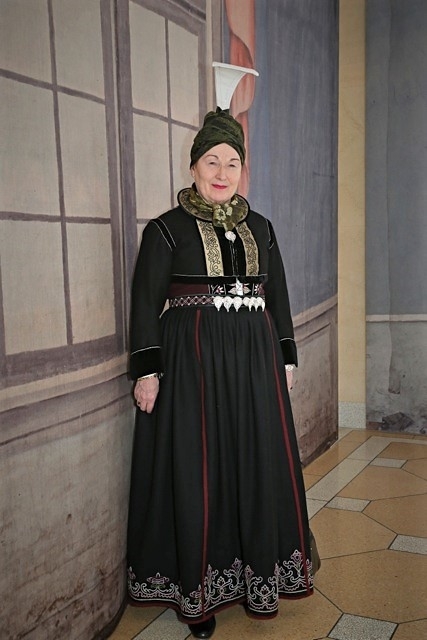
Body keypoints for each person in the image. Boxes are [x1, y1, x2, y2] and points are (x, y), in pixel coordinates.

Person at [127, 107, 314, 639]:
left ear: (242, 170)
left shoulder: (263, 228)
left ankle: (258, 577)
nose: (222, 172)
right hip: (194, 367)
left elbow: (277, 297)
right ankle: (200, 594)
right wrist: (147, 371)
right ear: (193, 166)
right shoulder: (165, 230)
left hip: (255, 365)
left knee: (256, 459)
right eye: (212, 160)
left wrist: (286, 357)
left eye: (233, 162)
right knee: (199, 466)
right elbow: (145, 304)